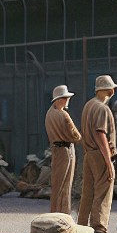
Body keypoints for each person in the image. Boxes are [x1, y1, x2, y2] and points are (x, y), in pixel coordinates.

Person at [75, 74, 117, 233]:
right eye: (113, 88)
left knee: (88, 195)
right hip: (100, 154)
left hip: (88, 154)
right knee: (103, 196)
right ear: (108, 89)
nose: (114, 91)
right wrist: (108, 161)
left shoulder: (88, 105)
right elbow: (100, 134)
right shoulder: (102, 108)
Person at [44, 84, 80, 216]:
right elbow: (76, 135)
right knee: (66, 186)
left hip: (55, 149)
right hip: (66, 150)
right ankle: (64, 215)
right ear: (60, 99)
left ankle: (55, 213)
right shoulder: (63, 115)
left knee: (57, 184)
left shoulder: (49, 113)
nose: (67, 100)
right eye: (66, 98)